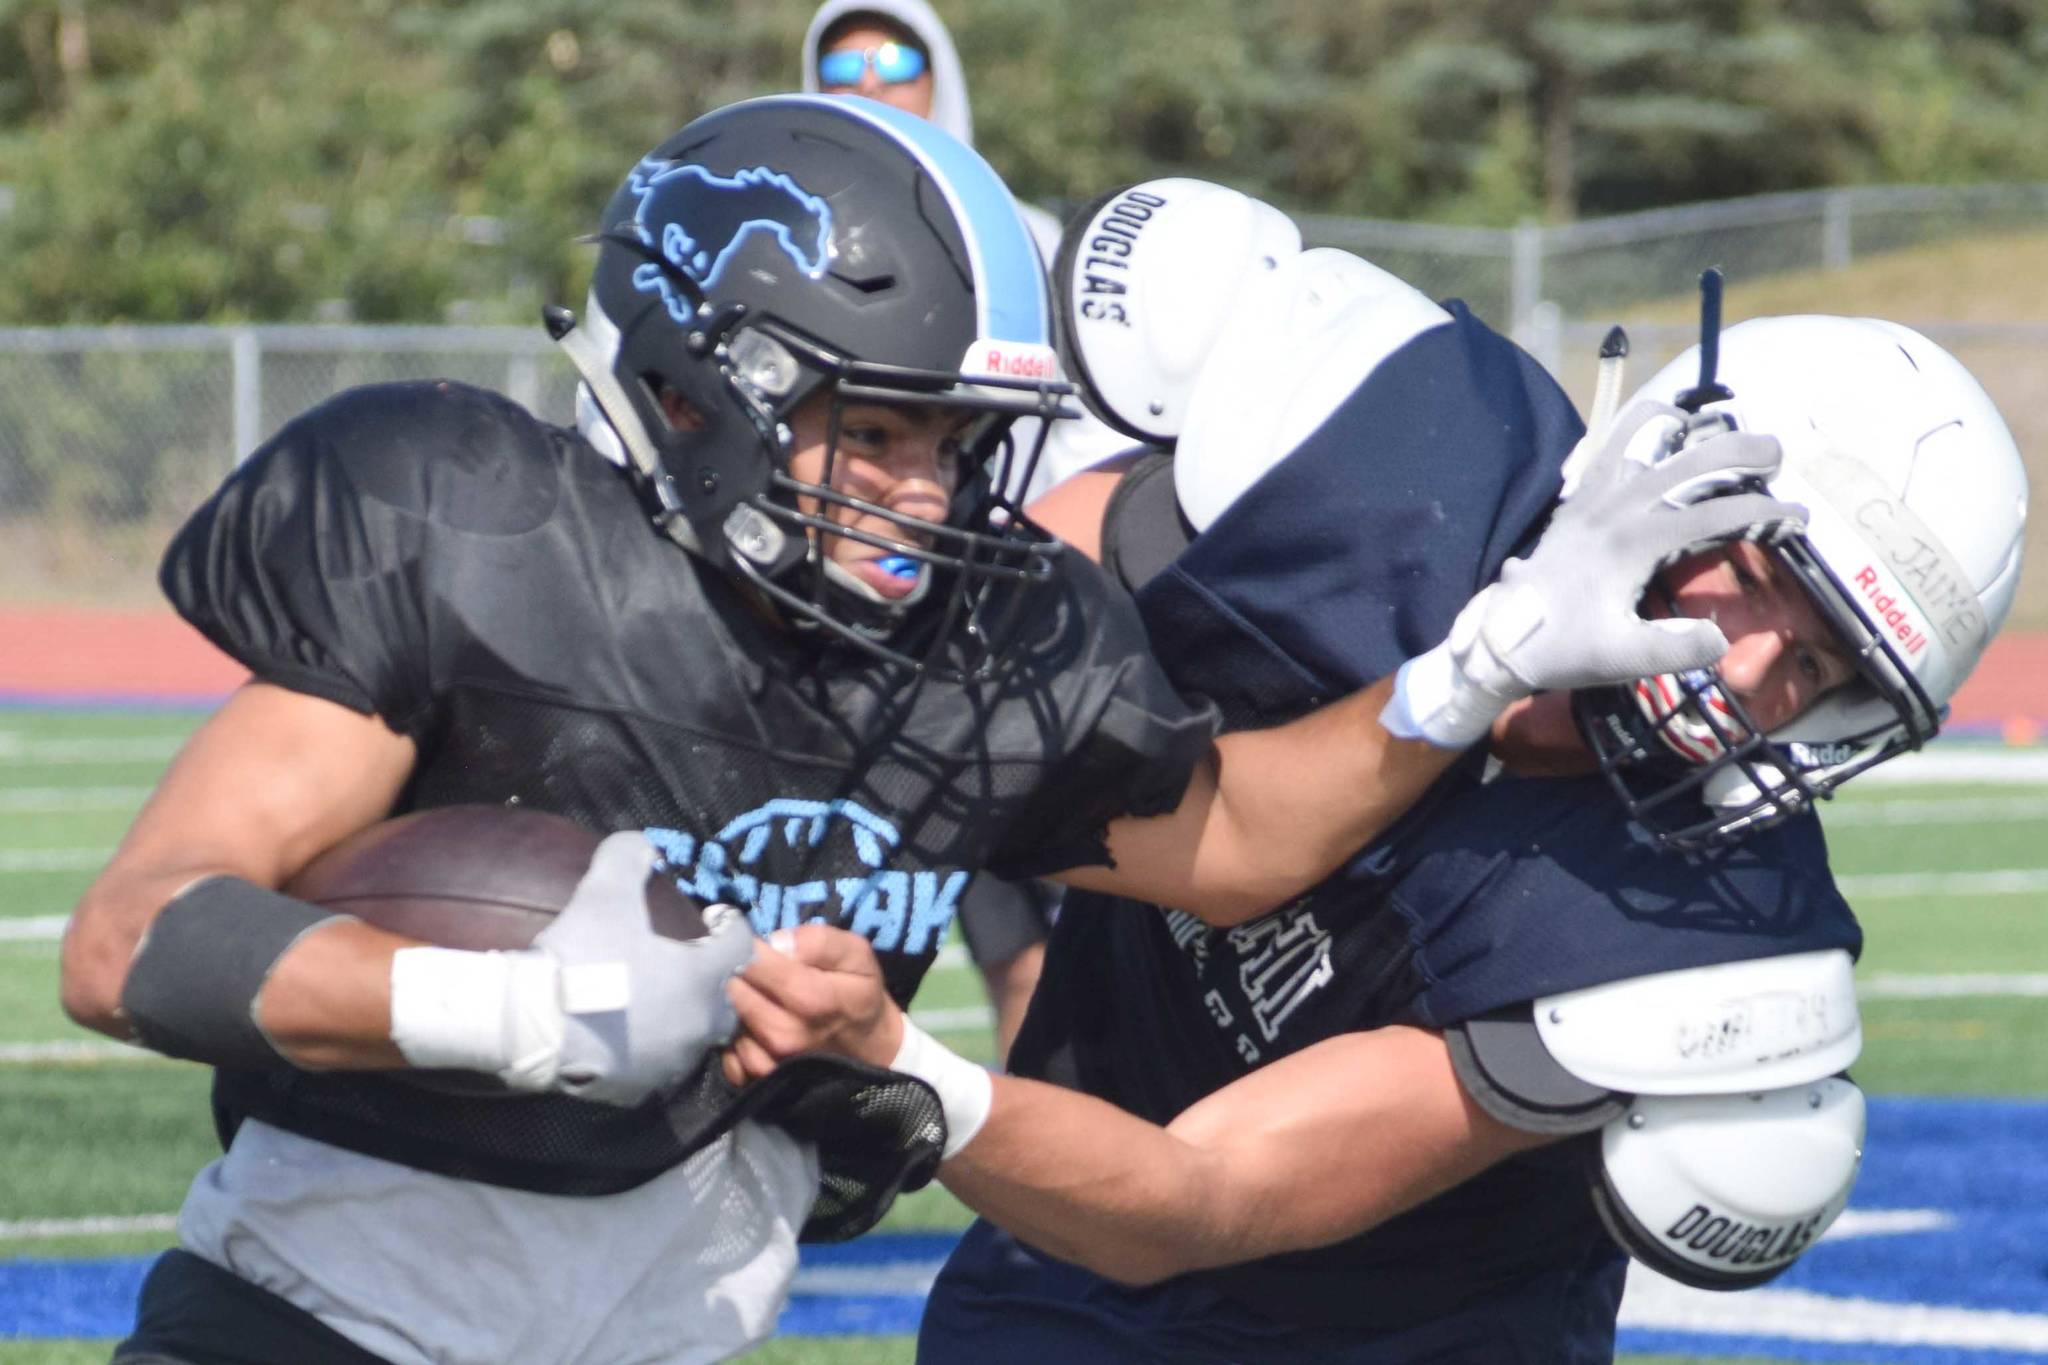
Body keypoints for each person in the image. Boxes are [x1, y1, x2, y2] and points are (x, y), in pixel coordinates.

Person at [56, 108, 1769, 1365]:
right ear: (692, 382)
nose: (921, 495)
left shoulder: (985, 637)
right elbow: (133, 935)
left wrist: (1465, 672)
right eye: (872, 431)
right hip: (326, 1307)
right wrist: (509, 1004)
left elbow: (1235, 842)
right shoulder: (474, 523)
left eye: (955, 446)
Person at [722, 180, 2029, 1363]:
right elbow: (982, 647)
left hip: (1375, 1331)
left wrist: (907, 1071)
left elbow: (1199, 1197)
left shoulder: (1689, 937)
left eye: (1819, 672)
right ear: (1673, 460)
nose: (1751, 681)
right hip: (1056, 1251)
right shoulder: (1393, 454)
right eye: (1757, 585)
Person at [802, 0, 1134, 1059]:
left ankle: (1042, 1180)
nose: (868, 82)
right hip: (835, 657)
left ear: (939, 70)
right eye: (839, 65)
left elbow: (1105, 448)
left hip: (1011, 643)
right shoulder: (789, 240)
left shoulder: (1028, 245)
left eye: (893, 59)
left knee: (1063, 948)